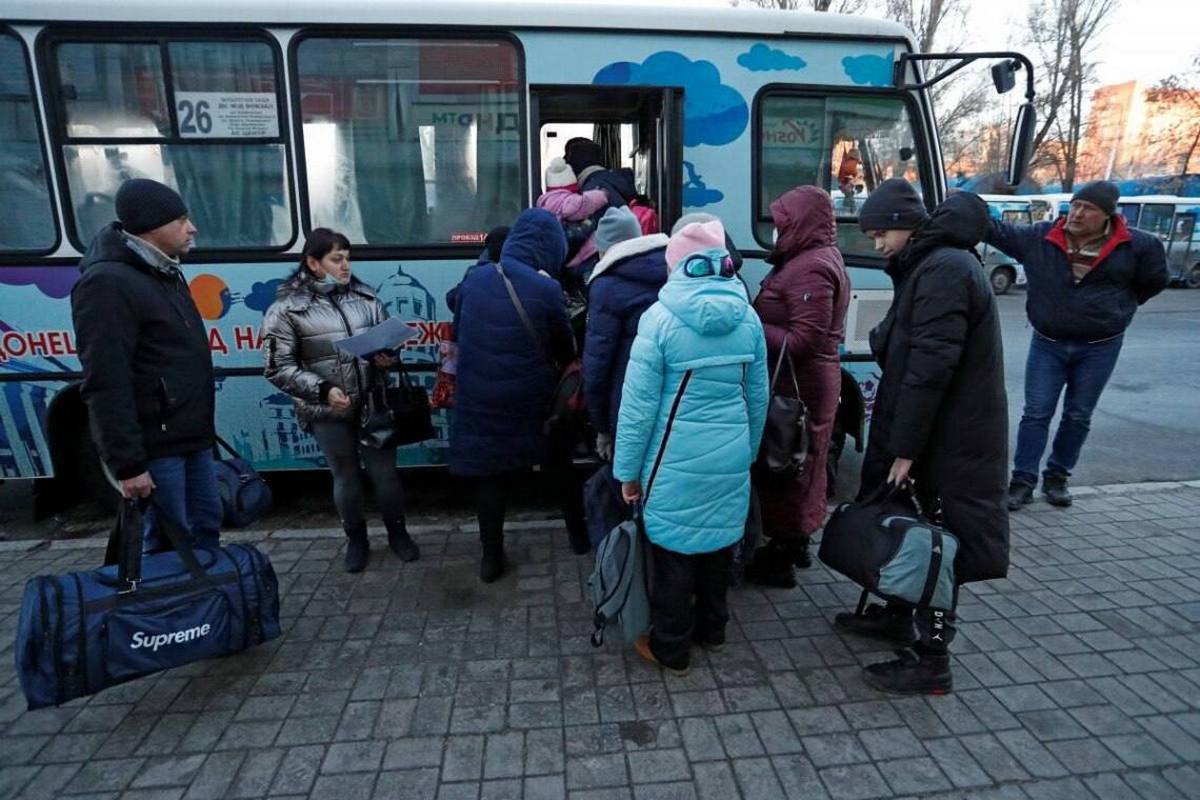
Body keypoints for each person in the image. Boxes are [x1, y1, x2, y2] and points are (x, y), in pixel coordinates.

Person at [835, 180, 1009, 695]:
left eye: (880, 232)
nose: (876, 244)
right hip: (935, 428)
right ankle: (895, 613)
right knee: (910, 525)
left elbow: (931, 368)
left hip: (949, 438)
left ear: (906, 225)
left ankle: (933, 660)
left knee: (938, 544)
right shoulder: (933, 266)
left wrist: (906, 449)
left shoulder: (946, 270)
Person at [614, 219, 769, 677]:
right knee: (719, 547)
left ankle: (672, 648)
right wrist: (748, 452)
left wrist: (627, 473)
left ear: (677, 265)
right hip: (731, 453)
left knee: (675, 555)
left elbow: (637, 410)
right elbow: (757, 397)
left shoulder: (659, 320)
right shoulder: (749, 317)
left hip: (673, 461)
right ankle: (714, 631)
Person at [982, 181, 1169, 509]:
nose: (1078, 213)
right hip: (1048, 344)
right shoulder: (1041, 238)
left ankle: (1057, 478)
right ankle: (1023, 481)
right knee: (1036, 413)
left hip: (1100, 346)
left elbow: (1154, 282)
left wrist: (1117, 310)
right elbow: (996, 230)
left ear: (1107, 215)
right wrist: (965, 205)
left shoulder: (1138, 246)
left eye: (1089, 208)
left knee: (1078, 414)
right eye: (1076, 204)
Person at [71, 179, 220, 552]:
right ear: (152, 227)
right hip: (159, 447)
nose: (192, 228)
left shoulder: (163, 269)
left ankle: (205, 607)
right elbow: (106, 381)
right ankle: (168, 608)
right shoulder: (107, 283)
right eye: (181, 220)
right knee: (169, 544)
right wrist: (129, 465)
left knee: (204, 531)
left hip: (191, 437)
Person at [262, 228, 418, 573]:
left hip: (373, 403)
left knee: (386, 476)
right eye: (336, 258)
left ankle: (398, 535)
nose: (345, 265)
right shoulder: (287, 309)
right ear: (313, 263)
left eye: (347, 257)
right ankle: (357, 542)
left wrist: (387, 358)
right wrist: (323, 391)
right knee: (345, 478)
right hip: (327, 410)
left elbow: (386, 343)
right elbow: (277, 367)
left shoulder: (366, 297)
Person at [448, 208, 587, 582]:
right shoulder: (545, 288)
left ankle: (491, 559)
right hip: (531, 399)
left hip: (480, 398)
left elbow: (459, 333)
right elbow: (564, 349)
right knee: (558, 465)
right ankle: (578, 539)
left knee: (491, 479)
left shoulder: (474, 282)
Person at [745, 186, 850, 588]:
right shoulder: (806, 259)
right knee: (796, 462)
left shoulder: (812, 267)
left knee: (791, 464)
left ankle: (783, 555)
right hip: (798, 383)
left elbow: (803, 340)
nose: (776, 228)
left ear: (802, 222)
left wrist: (750, 323)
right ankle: (794, 543)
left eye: (783, 221)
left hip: (801, 386)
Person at [583, 206, 669, 460]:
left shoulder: (606, 286)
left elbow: (597, 367)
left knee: (629, 486)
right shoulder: (673, 269)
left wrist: (601, 428)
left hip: (628, 406)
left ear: (604, 249)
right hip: (673, 402)